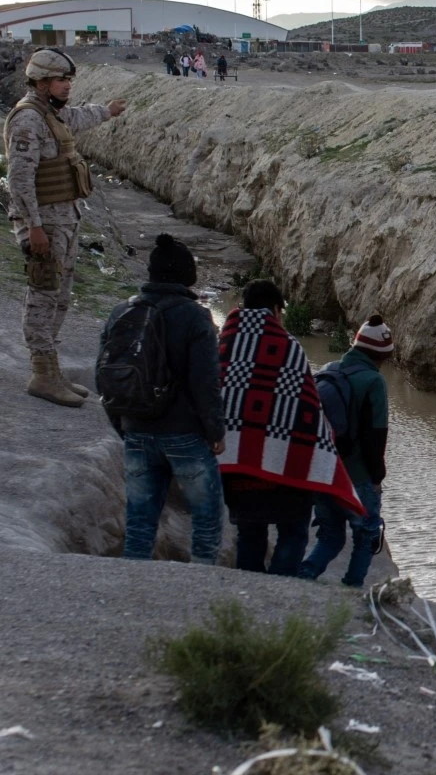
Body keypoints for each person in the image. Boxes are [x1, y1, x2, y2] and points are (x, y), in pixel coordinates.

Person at [4, 48, 126, 407]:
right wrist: (33, 228)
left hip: (64, 220)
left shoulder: (51, 115)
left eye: (69, 79)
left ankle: (51, 370)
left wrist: (108, 111)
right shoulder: (27, 120)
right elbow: (20, 179)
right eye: (61, 80)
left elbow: (78, 117)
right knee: (43, 296)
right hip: (45, 225)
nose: (67, 86)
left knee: (59, 297)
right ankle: (43, 374)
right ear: (41, 83)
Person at [216, 280, 365, 576]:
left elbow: (216, 399)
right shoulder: (288, 347)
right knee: (294, 533)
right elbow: (308, 406)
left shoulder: (224, 345)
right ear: (275, 310)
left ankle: (249, 593)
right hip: (288, 468)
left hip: (238, 466)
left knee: (250, 535)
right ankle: (282, 589)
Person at [100, 235, 225, 563]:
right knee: (207, 521)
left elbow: (107, 377)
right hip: (185, 436)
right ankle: (201, 593)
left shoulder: (121, 311)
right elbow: (206, 383)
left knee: (140, 523)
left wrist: (125, 426)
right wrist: (215, 432)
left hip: (137, 431)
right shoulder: (196, 317)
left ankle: (134, 592)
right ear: (186, 275)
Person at [298, 315, 392, 588]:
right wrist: (377, 478)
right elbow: (377, 436)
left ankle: (303, 578)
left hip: (325, 469)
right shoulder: (374, 382)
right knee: (366, 536)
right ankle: (352, 588)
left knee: (330, 536)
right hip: (358, 475)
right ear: (381, 355)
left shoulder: (330, 369)